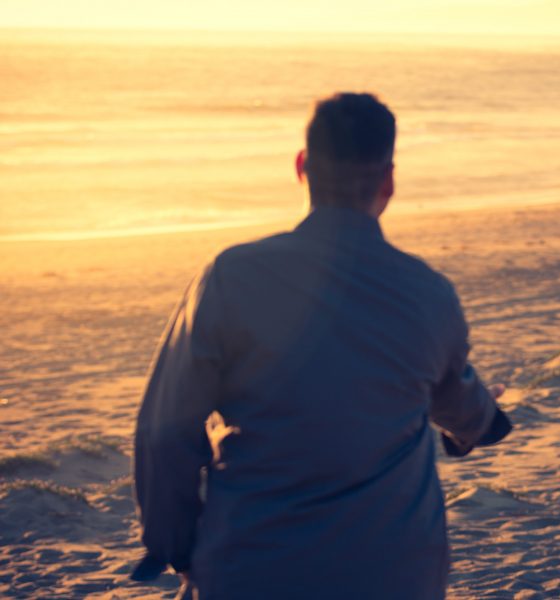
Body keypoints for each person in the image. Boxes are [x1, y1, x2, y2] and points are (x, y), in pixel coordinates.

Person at [132, 92, 511, 599]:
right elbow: (468, 413)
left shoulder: (231, 276)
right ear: (389, 180)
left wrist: (176, 547)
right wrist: (483, 424)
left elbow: (164, 433)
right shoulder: (428, 293)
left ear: (302, 166)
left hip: (251, 569)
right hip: (394, 576)